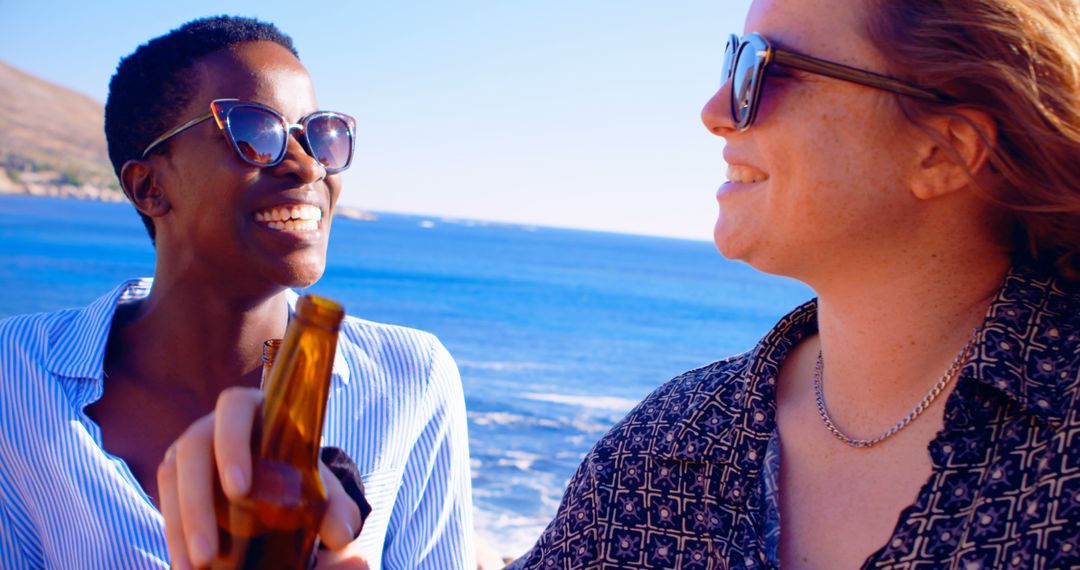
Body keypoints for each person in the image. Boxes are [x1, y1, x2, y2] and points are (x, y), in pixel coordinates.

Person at [511, 0, 1080, 567]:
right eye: (731, 61)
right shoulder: (665, 450)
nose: (715, 112)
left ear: (943, 151)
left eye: (764, 67)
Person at [0, 16, 474, 569]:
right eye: (254, 132)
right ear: (149, 186)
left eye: (320, 134)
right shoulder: (16, 375)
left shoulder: (411, 380)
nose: (306, 166)